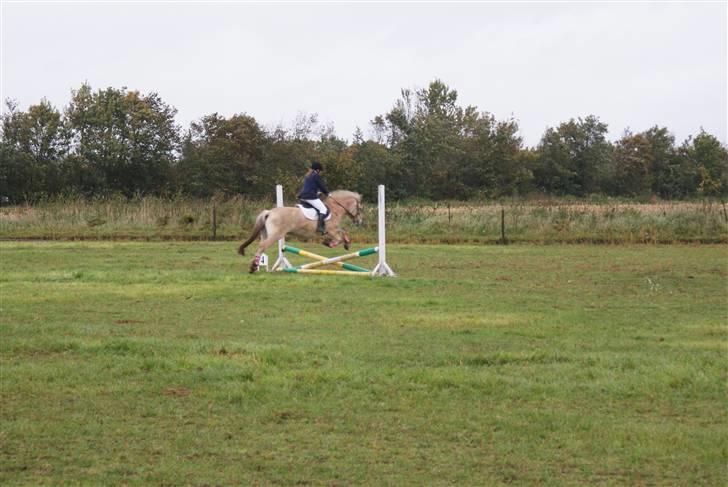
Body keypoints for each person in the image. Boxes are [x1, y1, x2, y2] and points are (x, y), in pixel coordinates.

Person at [298, 161, 331, 234]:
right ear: (318, 170)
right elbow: (322, 185)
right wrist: (327, 193)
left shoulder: (308, 175)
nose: (320, 172)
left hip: (303, 196)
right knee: (323, 209)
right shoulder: (316, 176)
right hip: (310, 196)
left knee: (318, 207)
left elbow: (312, 186)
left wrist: (318, 191)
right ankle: (319, 228)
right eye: (320, 171)